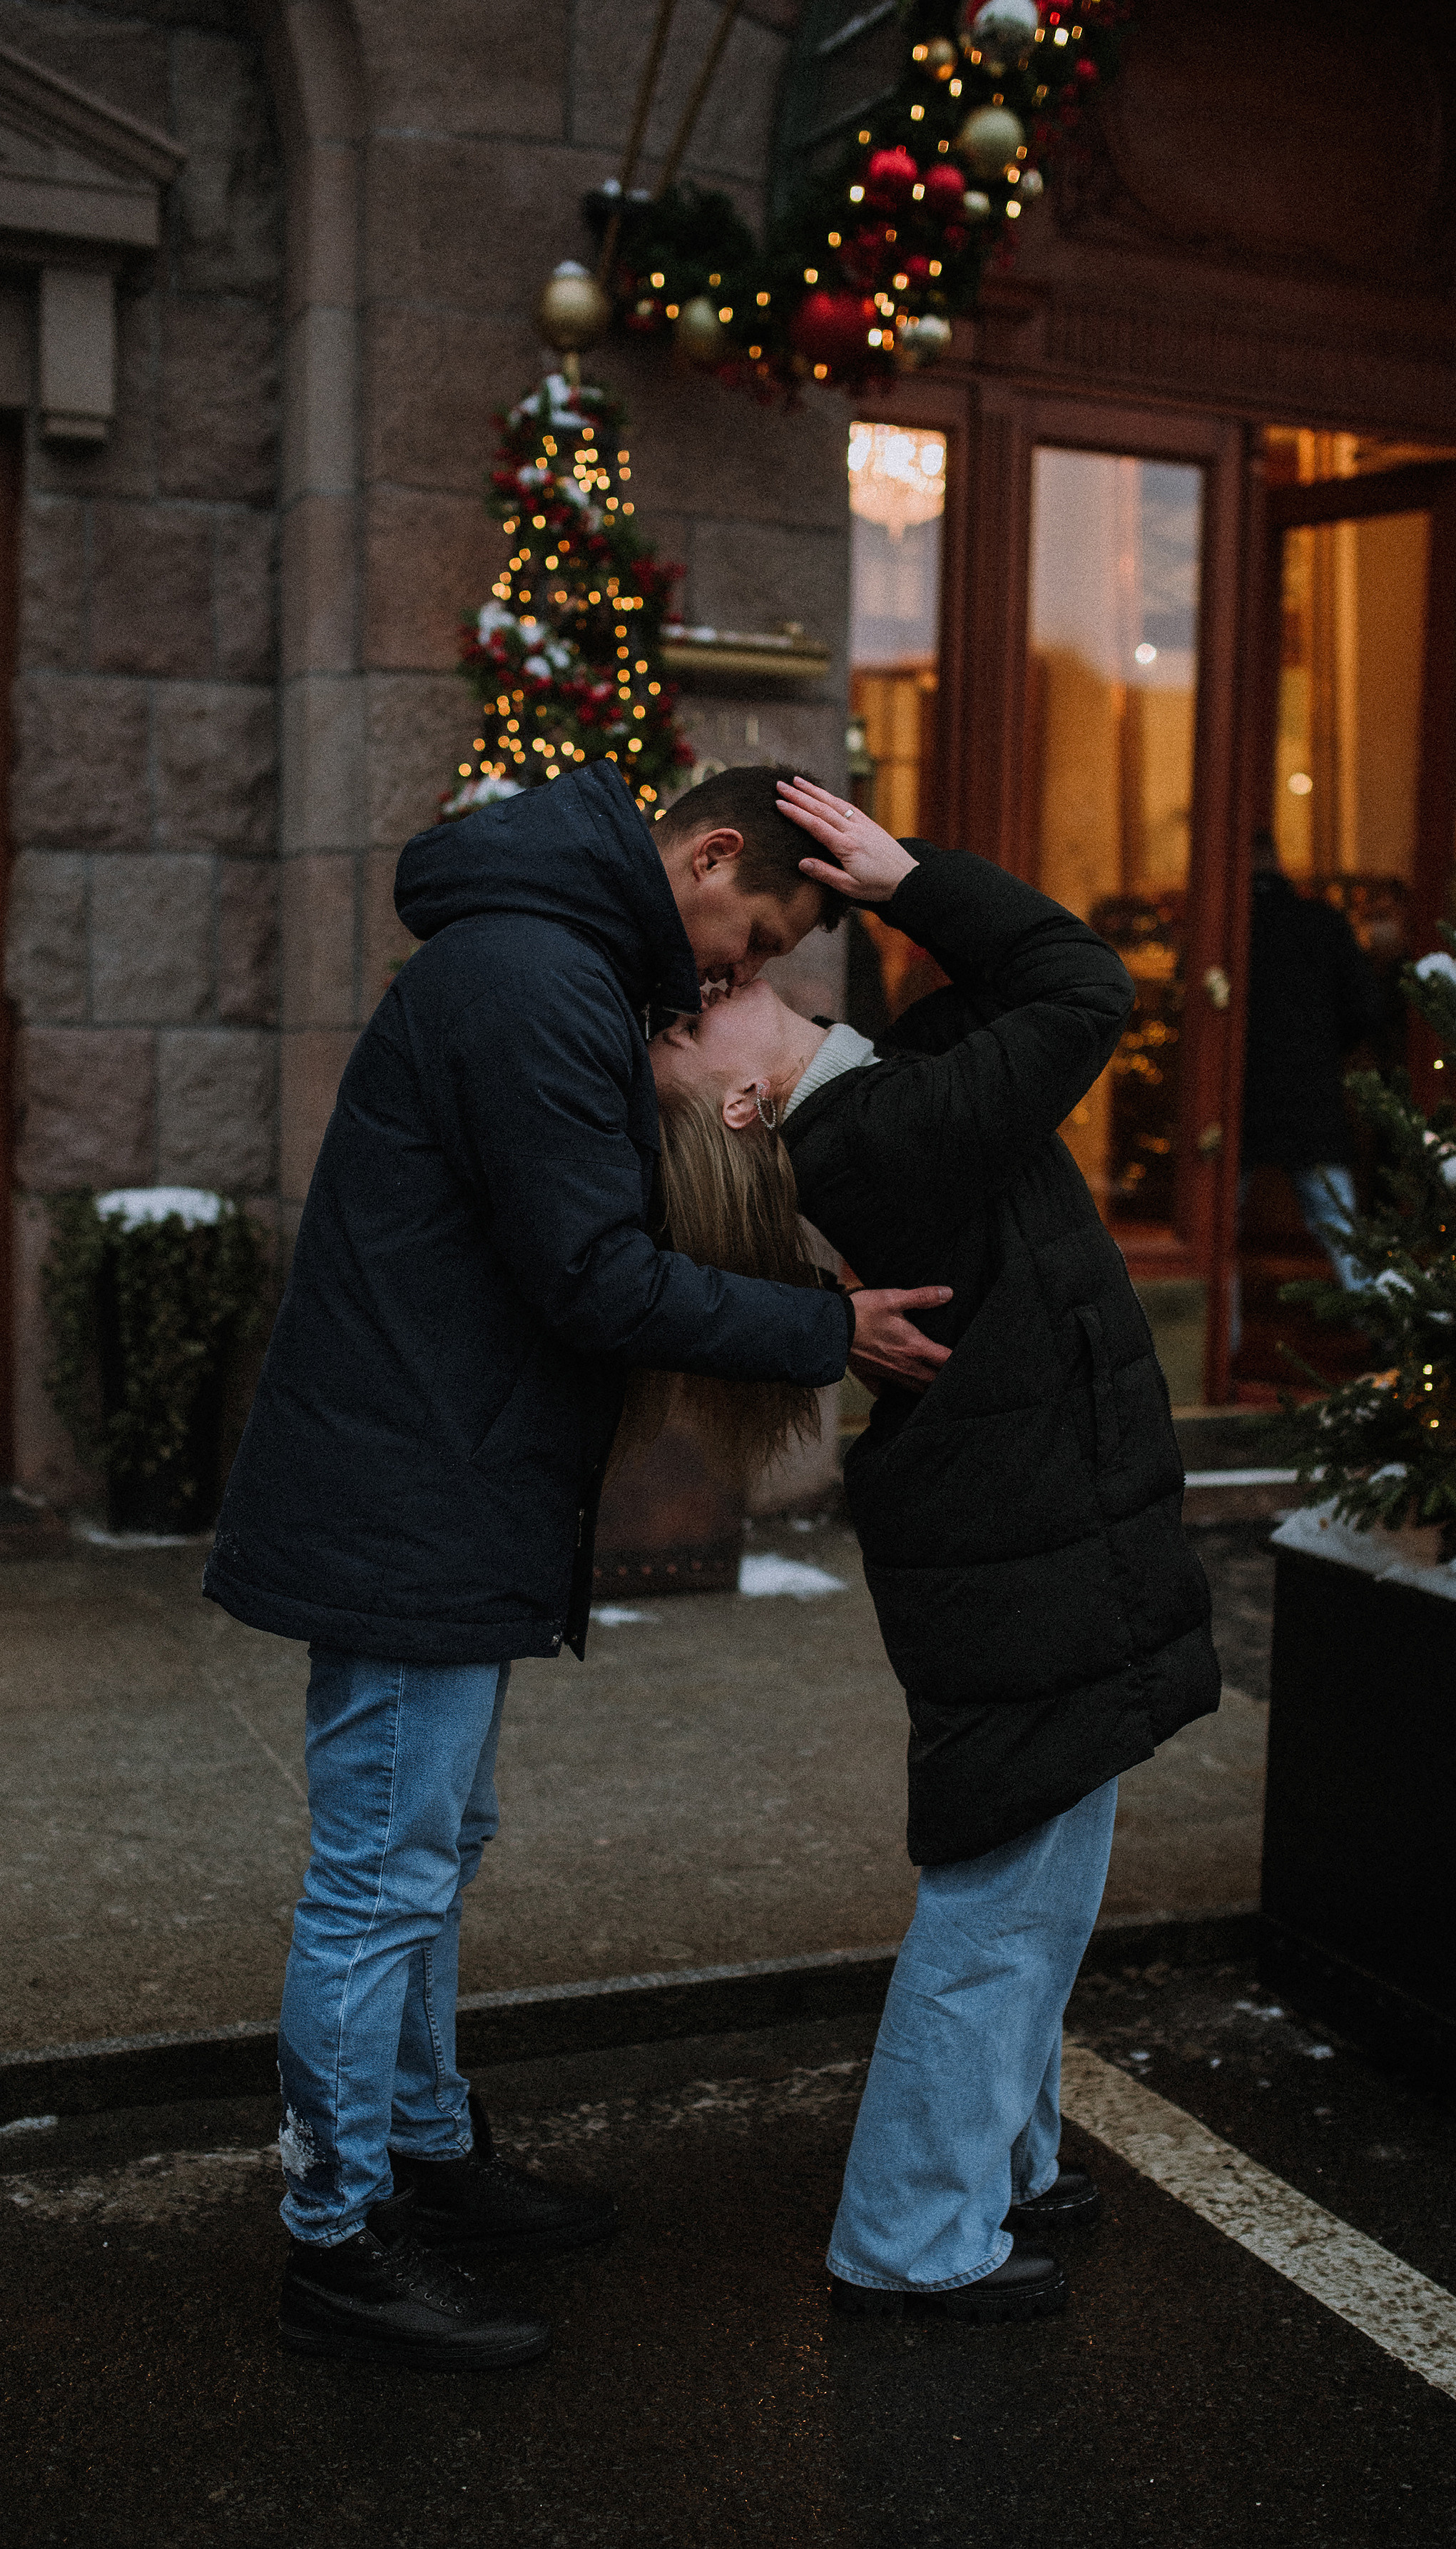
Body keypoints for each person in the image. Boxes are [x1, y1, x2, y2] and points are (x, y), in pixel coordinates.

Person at [203, 759, 953, 2372]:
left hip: (443, 1477)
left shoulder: (544, 959)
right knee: (382, 1874)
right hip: (415, 1489)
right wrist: (825, 1326)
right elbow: (593, 1275)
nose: (739, 979)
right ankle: (338, 2238)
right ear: (707, 856)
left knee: (430, 1846)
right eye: (755, 940)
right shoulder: (536, 977)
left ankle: (423, 2151)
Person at [646, 776, 1221, 2324]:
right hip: (1022, 1541)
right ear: (737, 1108)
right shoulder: (884, 1138)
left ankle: (1007, 2160)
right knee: (1005, 1901)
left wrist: (910, 899)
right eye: (689, 1025)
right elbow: (1080, 986)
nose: (719, 982)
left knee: (1043, 1885)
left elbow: (1008, 998)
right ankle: (912, 2232)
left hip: (1037, 1530)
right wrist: (906, 880)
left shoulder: (888, 1094)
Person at [1236, 827, 1388, 1344]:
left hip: (1238, 1097)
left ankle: (1219, 1341)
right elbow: (1366, 1008)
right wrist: (1321, 1049)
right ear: (1279, 862)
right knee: (1340, 1224)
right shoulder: (1321, 923)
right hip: (1311, 1094)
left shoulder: (1228, 924)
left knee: (1213, 1230)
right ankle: (1383, 1337)